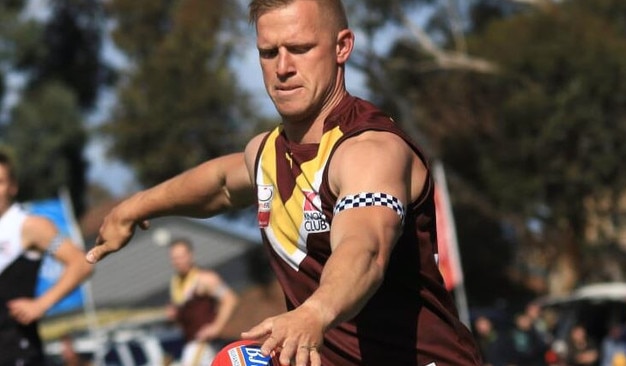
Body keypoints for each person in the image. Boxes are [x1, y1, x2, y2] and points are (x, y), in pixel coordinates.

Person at [86, 0, 482, 365]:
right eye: (269, 52)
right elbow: (220, 183)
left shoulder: (369, 151)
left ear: (342, 47)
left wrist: (314, 312)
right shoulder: (268, 153)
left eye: (300, 48)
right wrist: (133, 207)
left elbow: (365, 247)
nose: (283, 67)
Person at [0, 150, 93, 365]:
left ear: (12, 187)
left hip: (18, 351)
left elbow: (81, 264)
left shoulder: (30, 225)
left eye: (0, 181)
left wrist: (41, 304)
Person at [166, 238, 239, 366]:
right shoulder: (176, 283)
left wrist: (216, 327)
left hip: (205, 345)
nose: (178, 261)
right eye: (174, 258)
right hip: (189, 342)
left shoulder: (204, 279)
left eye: (181, 256)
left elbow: (230, 299)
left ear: (190, 255)